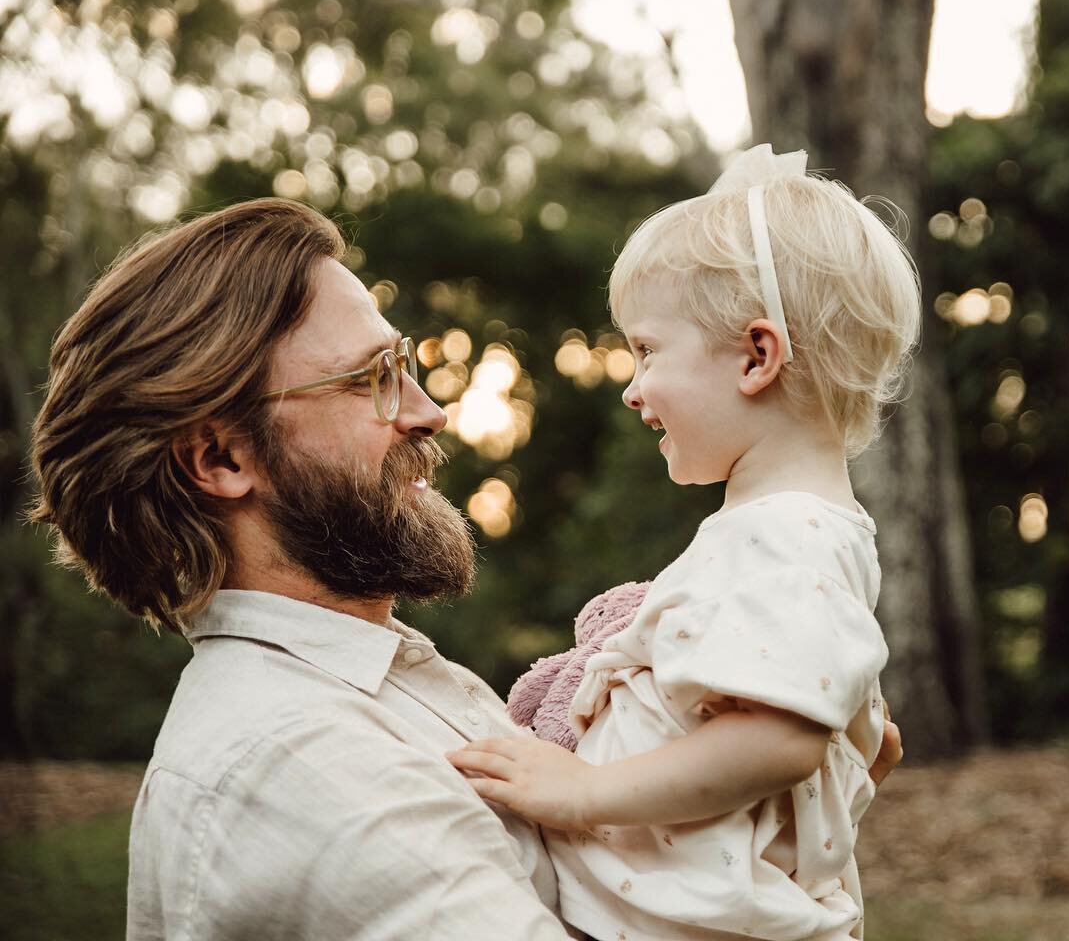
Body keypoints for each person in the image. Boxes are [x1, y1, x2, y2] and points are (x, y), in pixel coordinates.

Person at [27, 198, 572, 939]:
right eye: (368, 379)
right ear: (221, 458)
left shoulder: (372, 682)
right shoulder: (301, 761)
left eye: (402, 363)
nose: (426, 412)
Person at [447, 144, 921, 941]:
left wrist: (579, 792)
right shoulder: (800, 532)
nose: (632, 388)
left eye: (646, 350)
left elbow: (776, 741)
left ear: (756, 357)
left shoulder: (782, 537)